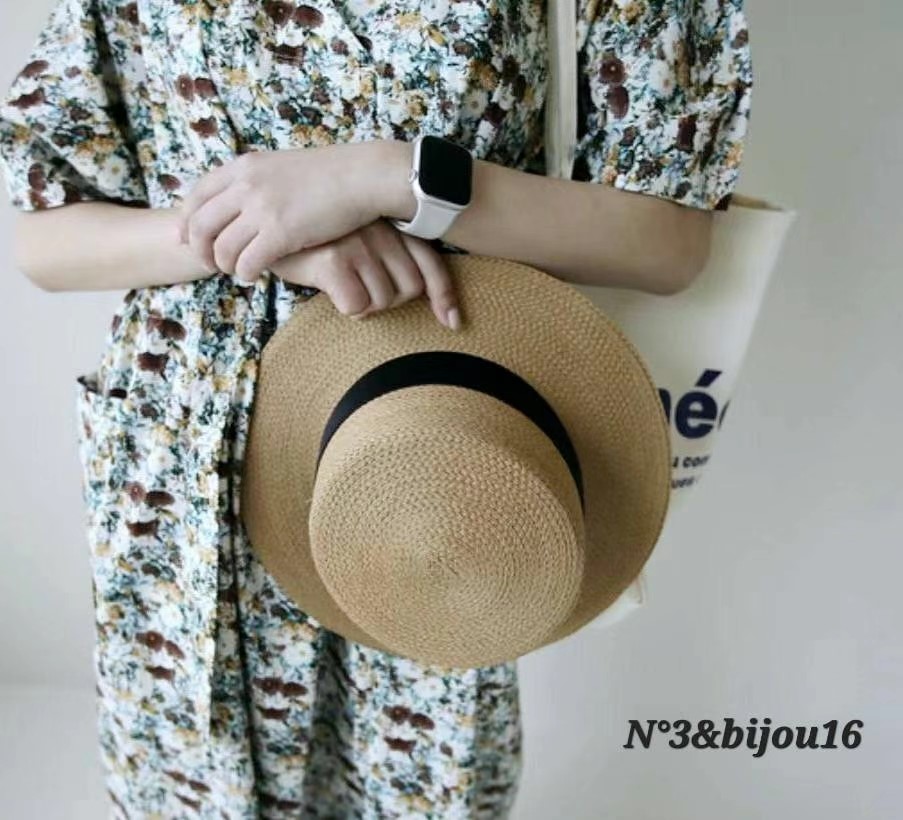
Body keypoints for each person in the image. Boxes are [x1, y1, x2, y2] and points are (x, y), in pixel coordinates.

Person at [0, 0, 752, 816]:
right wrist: (262, 238)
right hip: (187, 463)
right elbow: (45, 238)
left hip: (438, 431)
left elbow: (667, 243)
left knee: (422, 780)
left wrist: (386, 178)